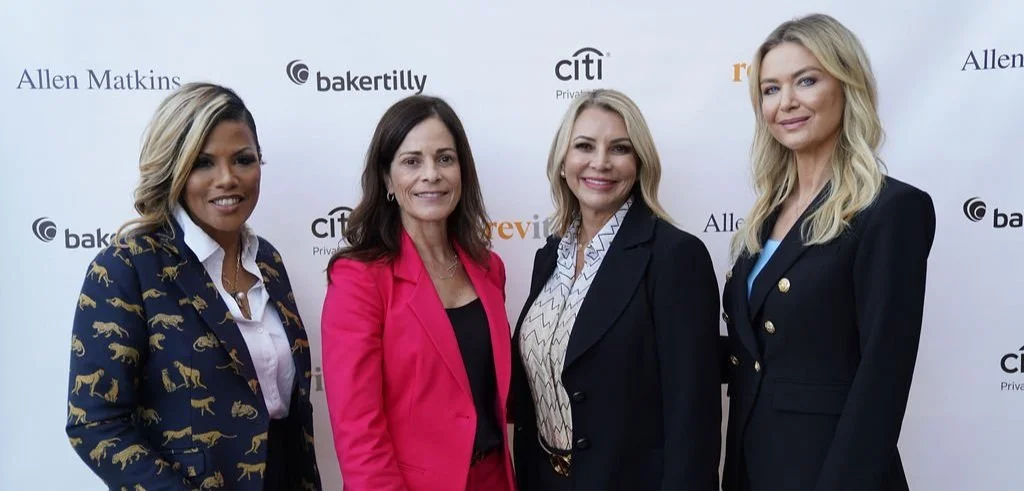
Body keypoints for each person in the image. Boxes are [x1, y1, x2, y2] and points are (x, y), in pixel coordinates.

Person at [65, 82, 322, 490]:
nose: (228, 178)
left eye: (243, 159)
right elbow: (95, 422)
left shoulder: (268, 261)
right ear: (175, 169)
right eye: (204, 163)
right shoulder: (128, 265)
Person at [721, 13, 936, 491]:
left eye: (806, 81)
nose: (786, 102)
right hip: (752, 466)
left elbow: (882, 377)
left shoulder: (890, 209)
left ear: (846, 85)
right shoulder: (766, 213)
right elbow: (754, 351)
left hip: (831, 472)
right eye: (770, 89)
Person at [510, 89, 722, 490]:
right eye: (584, 146)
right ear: (562, 162)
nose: (600, 162)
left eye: (620, 148)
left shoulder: (675, 257)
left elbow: (692, 417)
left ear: (639, 163)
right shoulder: (549, 257)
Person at [321, 95, 515, 491]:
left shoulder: (488, 269)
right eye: (412, 161)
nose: (432, 174)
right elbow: (358, 431)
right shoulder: (359, 279)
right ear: (389, 180)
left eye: (445, 158)